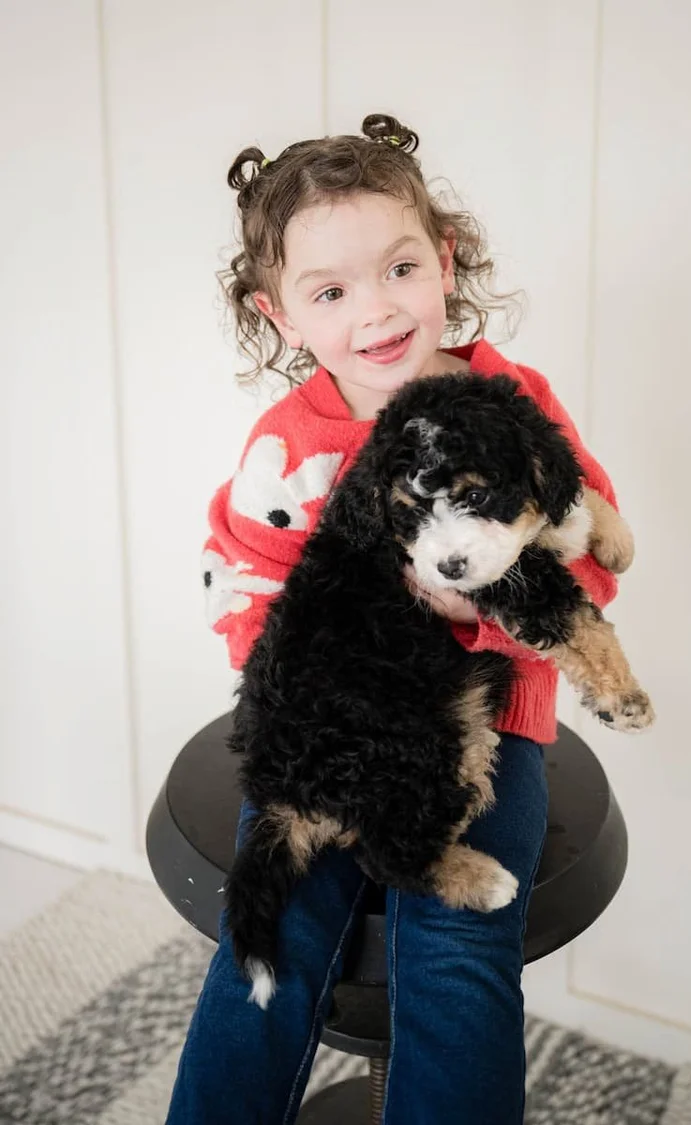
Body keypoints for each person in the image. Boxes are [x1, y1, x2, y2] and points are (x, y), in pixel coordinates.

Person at [167, 113, 619, 1125]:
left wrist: (478, 611)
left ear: (444, 260)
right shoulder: (289, 449)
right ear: (281, 316)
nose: (376, 310)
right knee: (275, 921)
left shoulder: (510, 399)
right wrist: (312, 700)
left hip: (486, 715)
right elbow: (245, 585)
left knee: (457, 943)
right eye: (331, 291)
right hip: (329, 719)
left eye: (399, 269)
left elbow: (587, 555)